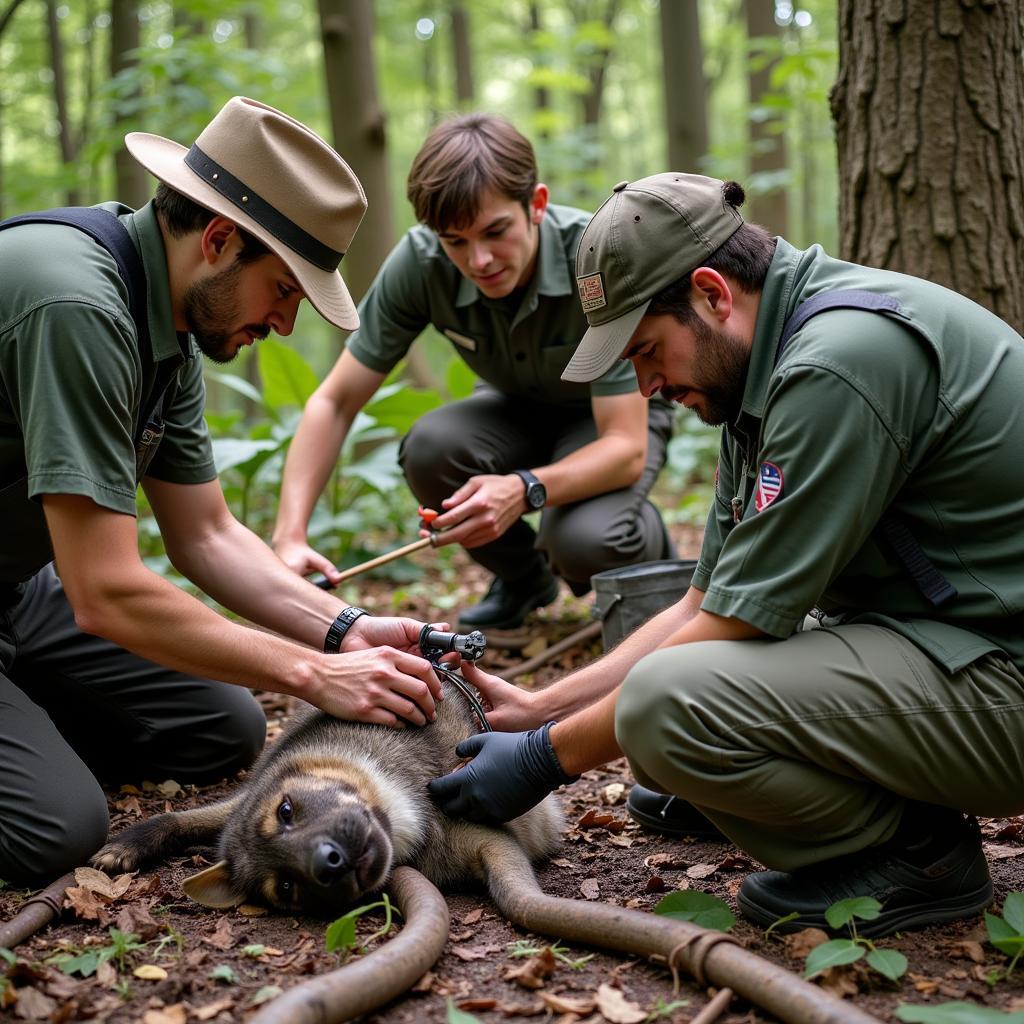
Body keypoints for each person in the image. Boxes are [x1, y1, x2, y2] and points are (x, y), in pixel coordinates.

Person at [428, 172, 1024, 938]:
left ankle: (916, 853)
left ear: (712, 293)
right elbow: (705, 603)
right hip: (947, 643)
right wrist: (544, 708)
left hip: (1001, 674)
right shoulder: (763, 368)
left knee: (666, 708)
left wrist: (545, 758)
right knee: (660, 731)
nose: (644, 386)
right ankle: (846, 804)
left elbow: (731, 634)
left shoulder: (836, 363)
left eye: (646, 351)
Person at [0, 97, 444, 884]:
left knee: (221, 728)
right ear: (218, 240)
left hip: (16, 594)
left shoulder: (169, 329)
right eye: (282, 291)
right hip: (51, 592)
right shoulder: (74, 305)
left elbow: (205, 535)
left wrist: (344, 632)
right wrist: (312, 674)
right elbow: (102, 590)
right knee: (56, 829)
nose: (281, 323)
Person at [272, 114, 674, 630]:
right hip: (512, 411)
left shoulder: (594, 258)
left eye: (495, 232)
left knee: (584, 541)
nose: (479, 259)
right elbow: (335, 401)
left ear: (537, 205)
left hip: (610, 424)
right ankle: (524, 580)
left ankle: (654, 559)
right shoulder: (419, 266)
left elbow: (625, 449)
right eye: (454, 241)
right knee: (431, 449)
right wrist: (289, 537)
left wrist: (524, 487)